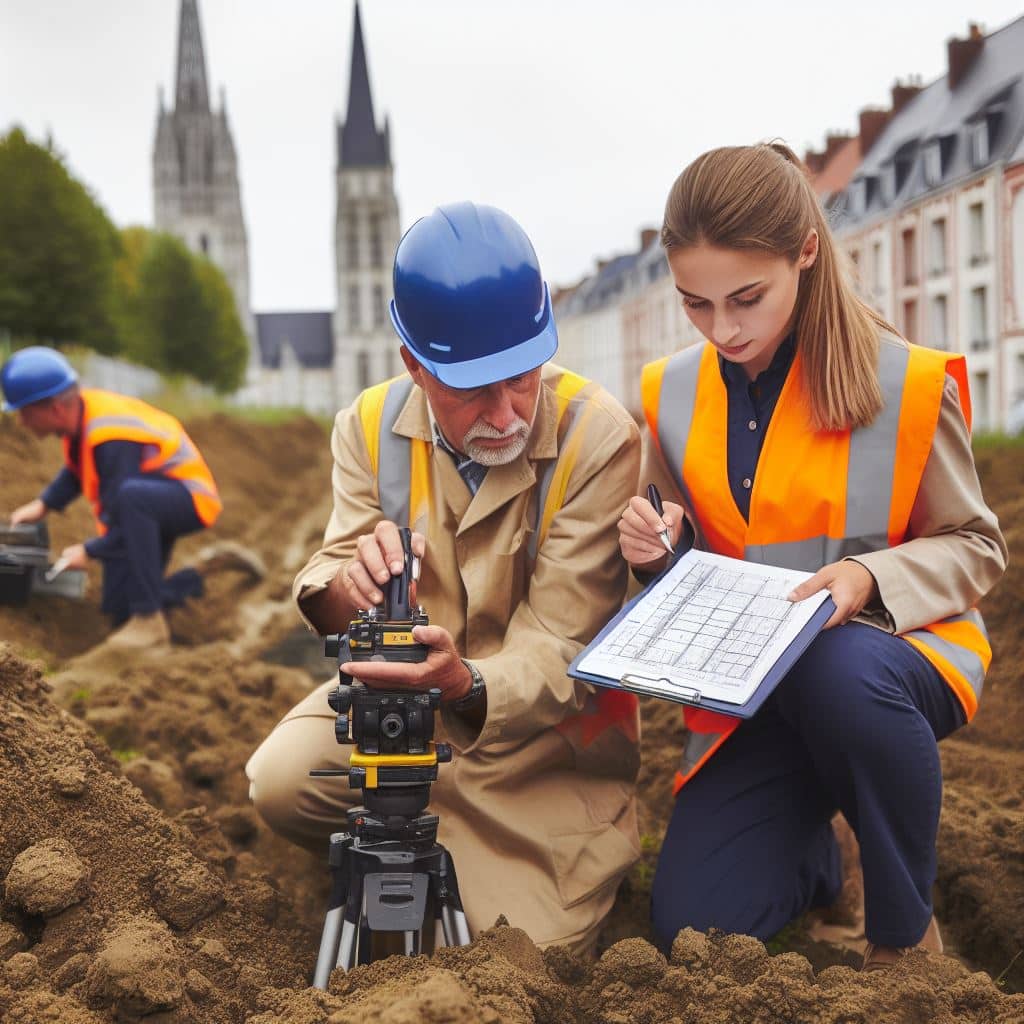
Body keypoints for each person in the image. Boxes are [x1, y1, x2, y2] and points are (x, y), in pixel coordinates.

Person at [618, 144, 1007, 971]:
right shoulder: (673, 394)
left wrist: (870, 579)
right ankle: (814, 858)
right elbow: (683, 546)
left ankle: (905, 936)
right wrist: (659, 548)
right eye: (696, 305)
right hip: (753, 690)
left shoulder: (904, 383)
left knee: (838, 670)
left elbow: (975, 548)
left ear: (804, 249)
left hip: (888, 668)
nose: (723, 331)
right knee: (697, 931)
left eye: (746, 299)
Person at [246, 201, 642, 954]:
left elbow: (564, 646)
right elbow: (331, 583)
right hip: (398, 721)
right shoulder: (367, 426)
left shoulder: (598, 436)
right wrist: (351, 590)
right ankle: (412, 842)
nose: (505, 413)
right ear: (414, 365)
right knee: (284, 781)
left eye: (521, 380)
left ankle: (506, 860)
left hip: (541, 749)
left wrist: (463, 684)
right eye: (471, 390)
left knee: (509, 957)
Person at [2, 346, 221, 647]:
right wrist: (44, 505)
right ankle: (195, 577)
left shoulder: (112, 439)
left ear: (55, 409)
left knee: (132, 500)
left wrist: (89, 551)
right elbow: (77, 469)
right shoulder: (83, 416)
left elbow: (127, 511)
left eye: (25, 413)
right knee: (119, 609)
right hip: (150, 502)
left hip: (189, 499)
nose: (22, 423)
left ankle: (149, 621)